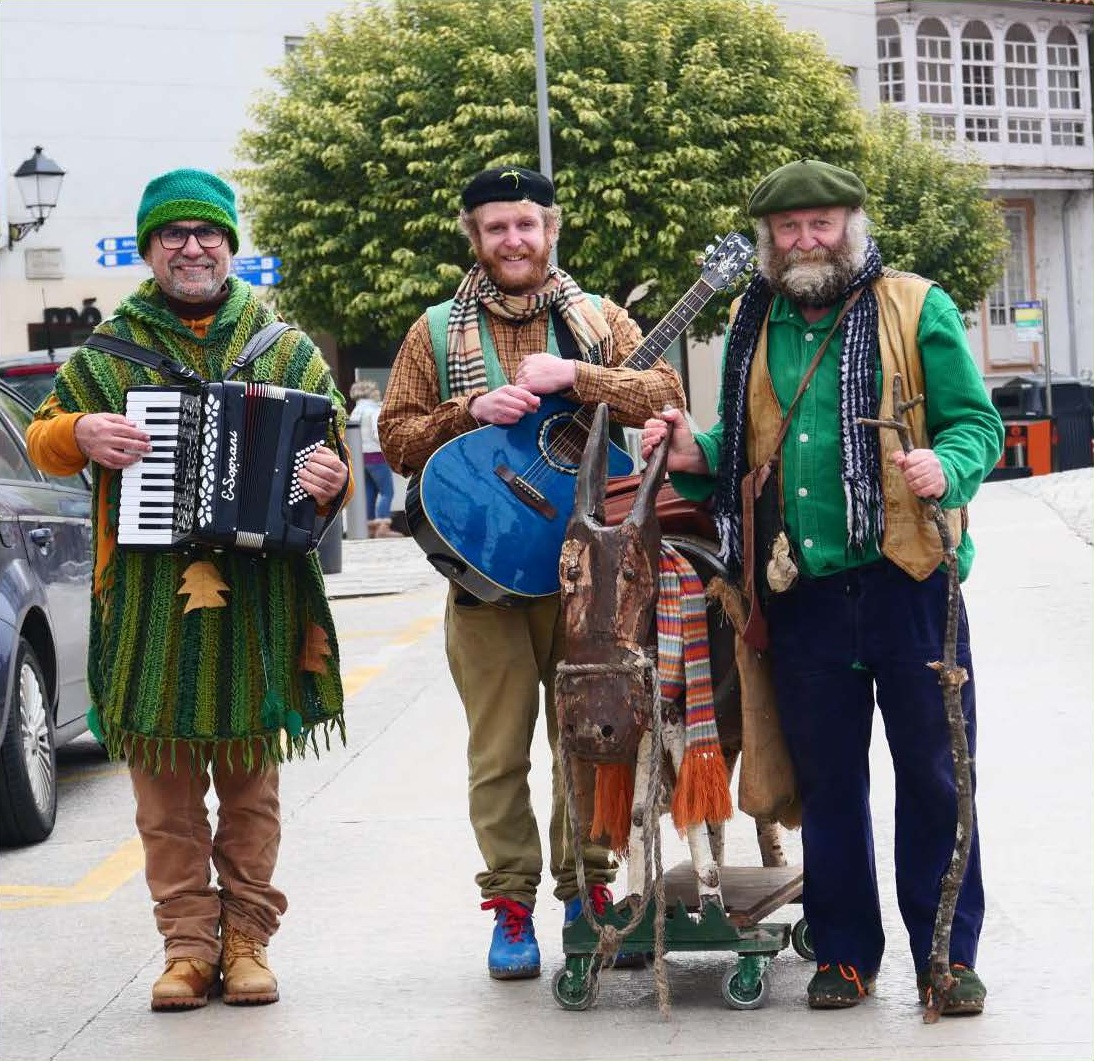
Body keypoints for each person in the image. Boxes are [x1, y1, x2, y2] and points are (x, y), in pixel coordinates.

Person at [642, 160, 1003, 1014]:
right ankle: (844, 953)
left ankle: (946, 956)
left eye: (824, 223)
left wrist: (943, 464)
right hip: (800, 592)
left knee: (937, 776)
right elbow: (745, 442)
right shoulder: (753, 320)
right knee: (829, 783)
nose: (808, 240)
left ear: (853, 226)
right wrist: (696, 451)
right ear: (770, 241)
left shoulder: (916, 305)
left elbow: (975, 423)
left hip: (910, 582)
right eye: (791, 228)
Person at [26, 168, 351, 1012]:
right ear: (151, 250)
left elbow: (331, 459)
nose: (192, 248)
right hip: (143, 606)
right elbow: (41, 441)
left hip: (259, 604)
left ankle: (246, 940)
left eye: (207, 233)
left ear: (229, 245)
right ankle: (185, 947)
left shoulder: (283, 348)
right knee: (164, 798)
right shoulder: (108, 353)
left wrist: (330, 480)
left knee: (251, 788)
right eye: (173, 235)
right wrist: (79, 430)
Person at [379, 165, 685, 980]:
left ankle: (587, 891)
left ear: (552, 229)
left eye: (526, 224)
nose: (513, 239)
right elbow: (397, 436)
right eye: (496, 227)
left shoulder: (600, 320)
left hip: (589, 568)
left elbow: (662, 393)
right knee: (498, 749)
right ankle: (510, 904)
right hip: (482, 571)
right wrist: (468, 411)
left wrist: (576, 379)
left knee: (591, 737)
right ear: (473, 237)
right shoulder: (436, 333)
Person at [348, 378, 403, 538]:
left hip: (361, 457)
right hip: (377, 456)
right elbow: (377, 432)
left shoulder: (356, 411)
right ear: (371, 392)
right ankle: (383, 527)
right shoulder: (373, 410)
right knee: (387, 492)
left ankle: (370, 526)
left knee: (369, 492)